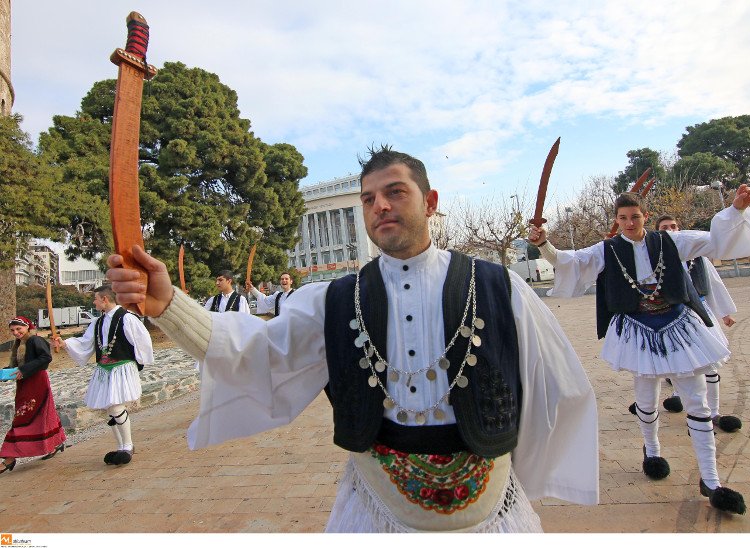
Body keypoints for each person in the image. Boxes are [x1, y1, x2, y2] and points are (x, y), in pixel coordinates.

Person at [106, 145, 599, 533]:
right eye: (368, 198)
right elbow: (255, 354)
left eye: (395, 192)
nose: (379, 205)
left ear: (430, 202)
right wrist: (169, 307)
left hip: (489, 508)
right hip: (375, 507)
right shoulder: (336, 300)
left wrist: (522, 475)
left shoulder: (498, 285)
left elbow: (552, 384)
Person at [530, 187, 750, 515]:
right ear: (616, 221)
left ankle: (712, 480)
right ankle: (653, 451)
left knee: (697, 401)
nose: (629, 222)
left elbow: (714, 240)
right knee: (646, 397)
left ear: (644, 216)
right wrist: (543, 243)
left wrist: (736, 209)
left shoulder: (669, 241)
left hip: (679, 324)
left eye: (635, 216)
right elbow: (568, 260)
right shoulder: (608, 249)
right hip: (637, 330)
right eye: (623, 218)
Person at [630, 215, 742, 433]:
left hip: (698, 314)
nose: (670, 230)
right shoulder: (654, 256)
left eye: (673, 226)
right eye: (665, 228)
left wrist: (724, 312)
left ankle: (713, 412)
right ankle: (676, 396)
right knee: (676, 363)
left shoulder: (696, 255)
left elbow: (712, 285)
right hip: (672, 317)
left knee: (707, 365)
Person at [54, 286, 154, 465]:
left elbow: (142, 340)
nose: (94, 302)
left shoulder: (127, 318)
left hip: (121, 367)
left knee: (116, 407)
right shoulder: (97, 322)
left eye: (96, 299)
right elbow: (86, 343)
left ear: (105, 299)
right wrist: (66, 344)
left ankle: (128, 446)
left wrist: (139, 362)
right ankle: (121, 446)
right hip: (104, 370)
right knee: (109, 409)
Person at [1, 317, 67, 474]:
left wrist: (24, 370)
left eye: (18, 329)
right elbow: (21, 364)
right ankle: (56, 443)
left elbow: (46, 358)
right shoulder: (20, 344)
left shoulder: (35, 340)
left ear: (27, 327)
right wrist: (8, 372)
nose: (16, 333)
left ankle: (9, 458)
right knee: (43, 413)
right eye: (12, 330)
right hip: (26, 383)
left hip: (36, 382)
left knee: (23, 416)